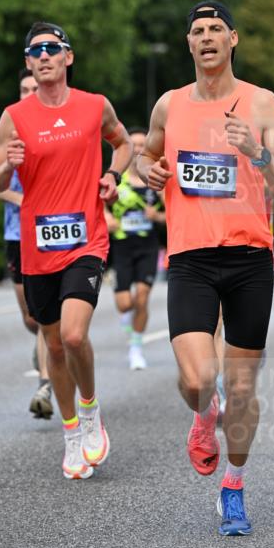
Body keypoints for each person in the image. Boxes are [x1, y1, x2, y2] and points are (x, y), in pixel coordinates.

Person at [137, 0, 274, 533]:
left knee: (242, 390)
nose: (206, 37)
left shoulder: (262, 103)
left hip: (249, 258)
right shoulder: (169, 105)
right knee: (197, 379)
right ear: (189, 43)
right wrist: (147, 171)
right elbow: (145, 156)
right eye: (197, 31)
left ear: (233, 39)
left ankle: (233, 488)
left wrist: (257, 152)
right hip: (190, 258)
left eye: (216, 29)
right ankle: (202, 413)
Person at [0, 22, 132, 479]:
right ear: (28, 63)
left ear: (68, 57)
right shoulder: (14, 117)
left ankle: (89, 410)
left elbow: (123, 142)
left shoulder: (94, 106)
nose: (44, 56)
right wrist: (5, 168)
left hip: (87, 239)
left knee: (72, 335)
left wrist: (113, 175)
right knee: (51, 342)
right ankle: (71, 435)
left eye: (52, 48)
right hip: (37, 245)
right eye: (35, 51)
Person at [0, 69, 54, 420]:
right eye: (24, 89)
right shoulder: (6, 128)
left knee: (48, 313)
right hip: (17, 234)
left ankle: (45, 384)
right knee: (31, 317)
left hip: (53, 232)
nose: (29, 94)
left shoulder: (62, 123)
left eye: (35, 88)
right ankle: (44, 345)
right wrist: (22, 200)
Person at [103, 127, 165, 370]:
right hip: (121, 248)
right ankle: (127, 317)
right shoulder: (115, 180)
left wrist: (157, 216)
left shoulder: (155, 182)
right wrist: (107, 218)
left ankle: (136, 348)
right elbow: (98, 206)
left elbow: (172, 215)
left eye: (142, 145)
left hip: (147, 247)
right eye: (134, 145)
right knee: (124, 304)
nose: (138, 149)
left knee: (142, 296)